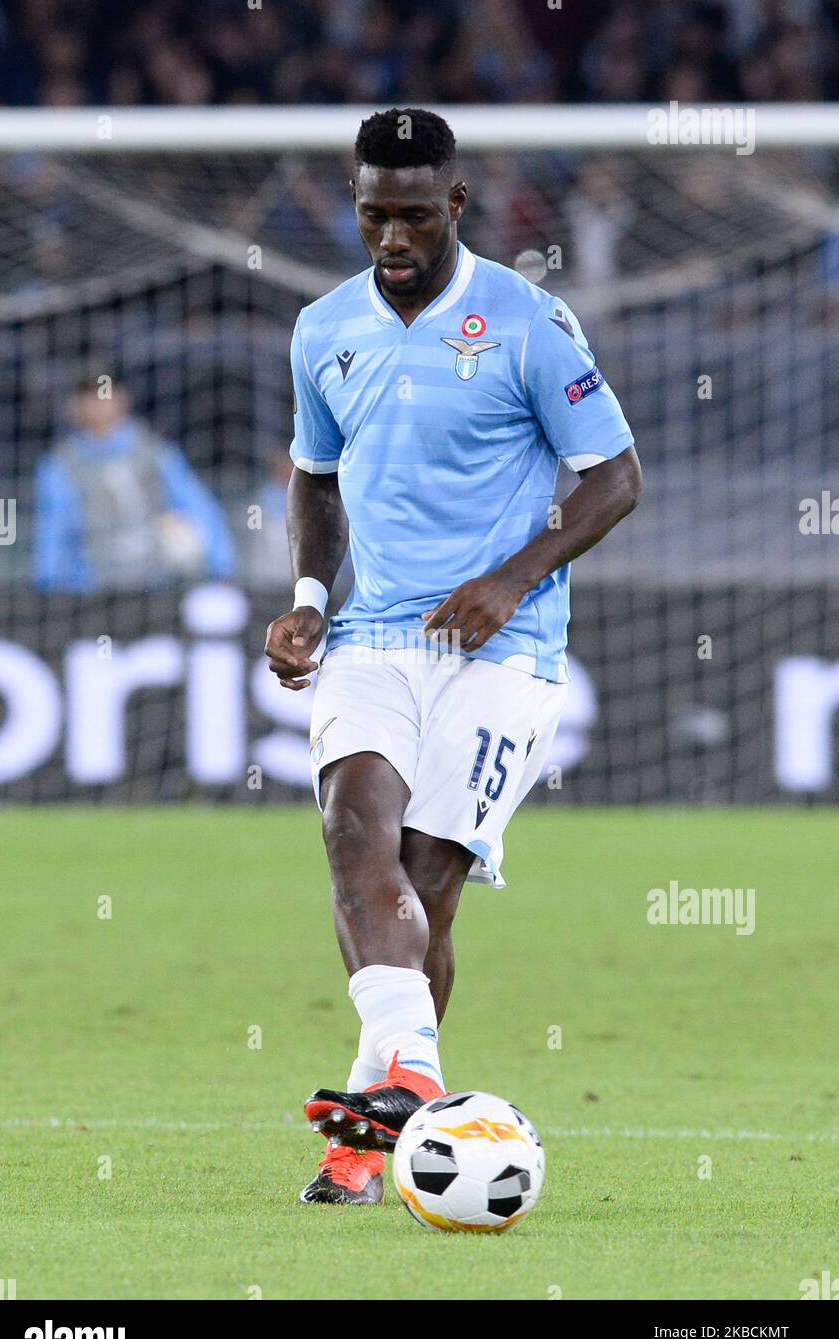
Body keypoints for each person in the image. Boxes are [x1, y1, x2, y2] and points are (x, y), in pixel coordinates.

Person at [265, 108, 641, 1205]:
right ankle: (418, 1079)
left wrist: (512, 577)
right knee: (353, 835)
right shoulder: (321, 327)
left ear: (457, 206)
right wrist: (303, 599)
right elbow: (314, 476)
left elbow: (614, 477)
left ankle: (357, 1138)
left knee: (427, 876)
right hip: (375, 633)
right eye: (374, 212)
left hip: (505, 647)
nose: (393, 235)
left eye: (415, 215)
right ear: (354, 202)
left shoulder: (526, 321)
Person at [32, 376, 235, 592]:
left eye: (105, 395)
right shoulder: (60, 464)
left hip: (155, 583)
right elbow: (54, 527)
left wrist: (221, 568)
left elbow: (199, 507)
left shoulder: (156, 452)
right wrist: (49, 583)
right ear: (76, 406)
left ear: (122, 399)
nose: (99, 404)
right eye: (90, 398)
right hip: (93, 588)